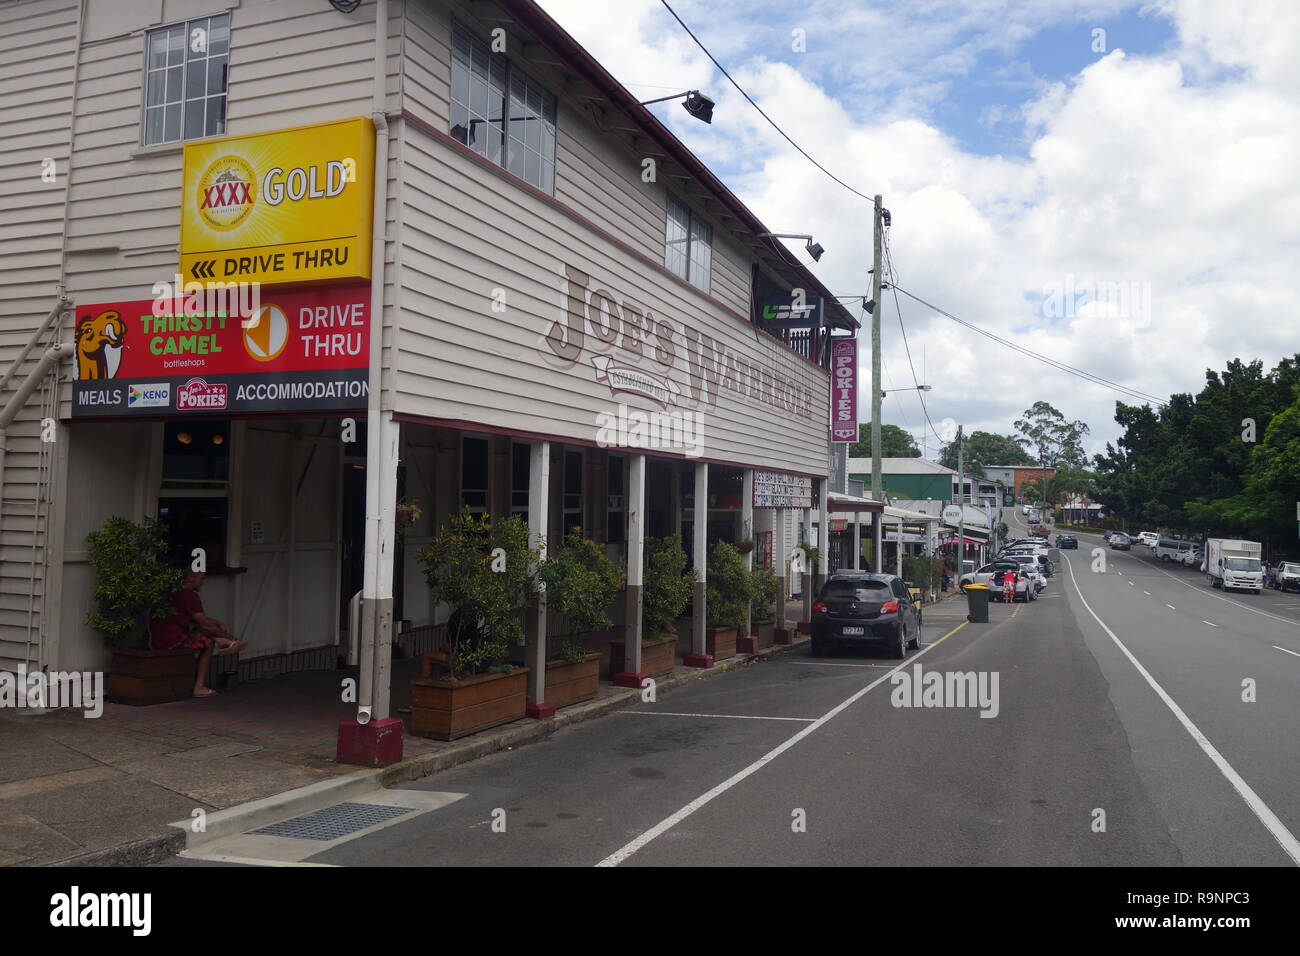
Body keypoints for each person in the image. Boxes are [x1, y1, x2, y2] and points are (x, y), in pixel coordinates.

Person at [150, 570, 246, 698]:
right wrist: (222, 633)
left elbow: (198, 621)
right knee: (208, 642)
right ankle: (199, 686)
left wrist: (216, 622)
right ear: (191, 578)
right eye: (201, 579)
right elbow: (203, 622)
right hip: (171, 640)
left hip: (158, 638)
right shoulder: (189, 595)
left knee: (200, 629)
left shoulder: (172, 592)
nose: (203, 582)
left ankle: (224, 641)